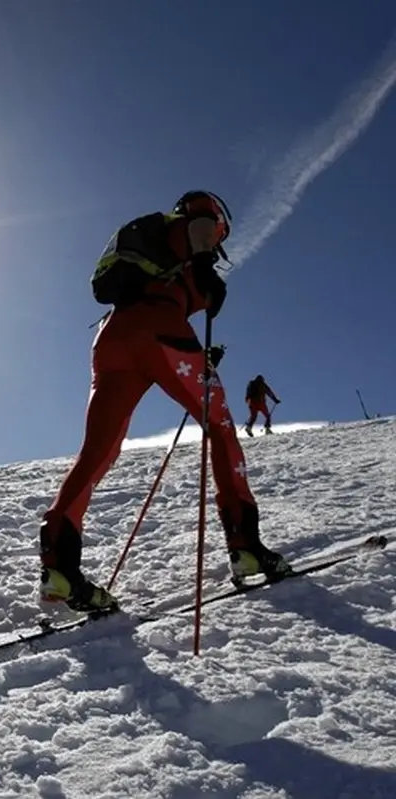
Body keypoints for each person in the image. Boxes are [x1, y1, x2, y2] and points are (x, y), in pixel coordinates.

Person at [39, 191, 292, 613]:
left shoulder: (152, 254)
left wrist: (196, 348)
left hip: (113, 339)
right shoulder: (192, 230)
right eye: (217, 232)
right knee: (223, 429)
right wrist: (204, 261)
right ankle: (245, 546)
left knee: (98, 451)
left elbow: (172, 292)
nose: (216, 239)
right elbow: (194, 236)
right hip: (160, 333)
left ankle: (60, 567)